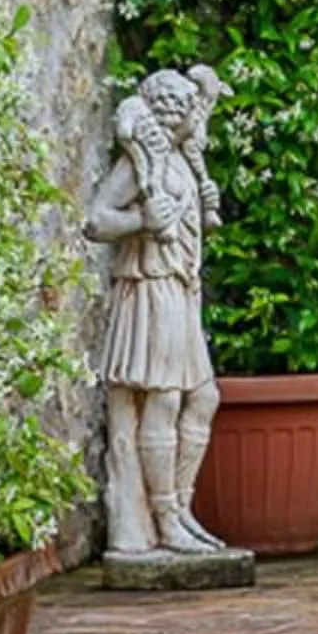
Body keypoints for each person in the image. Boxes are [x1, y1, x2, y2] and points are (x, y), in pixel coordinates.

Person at [87, 65, 230, 556]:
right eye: (188, 106)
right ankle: (163, 518)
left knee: (204, 397)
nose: (194, 115)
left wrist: (202, 209)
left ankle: (181, 509)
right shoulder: (140, 160)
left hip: (180, 287)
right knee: (163, 400)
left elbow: (189, 222)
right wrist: (141, 219)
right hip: (149, 288)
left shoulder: (181, 160)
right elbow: (95, 220)